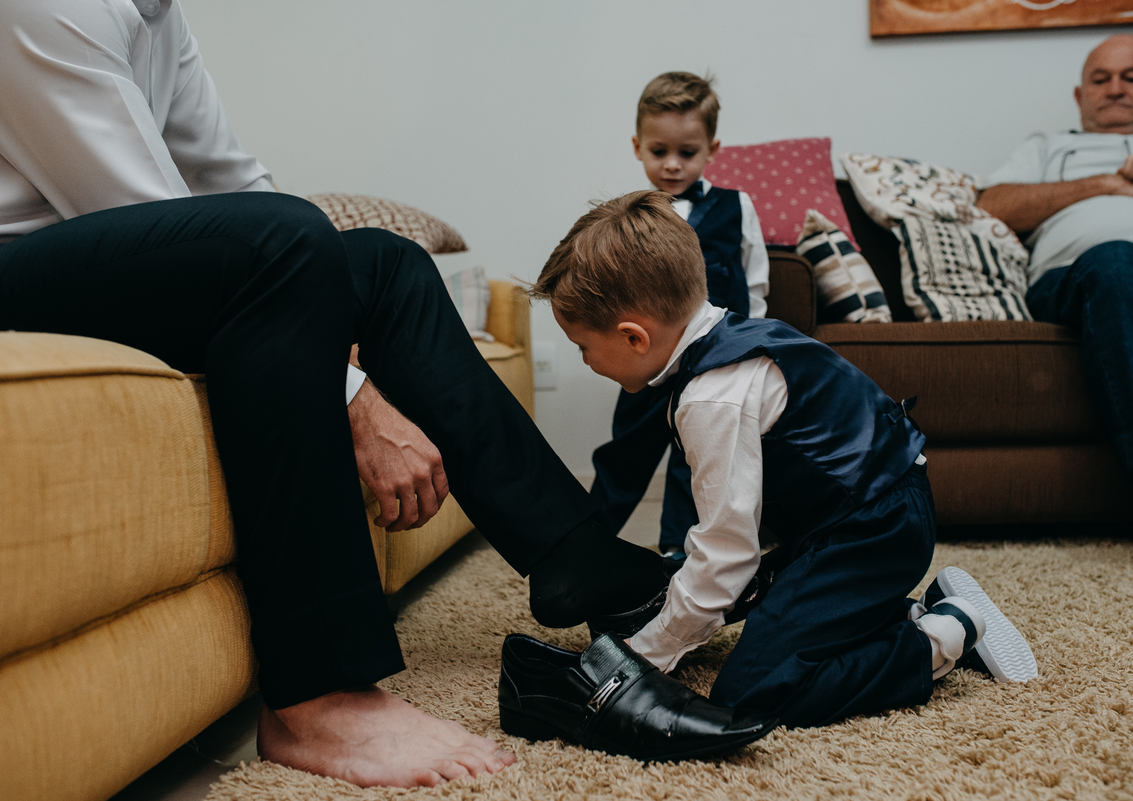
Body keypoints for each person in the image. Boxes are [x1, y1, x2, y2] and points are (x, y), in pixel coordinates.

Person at [0, 0, 677, 788]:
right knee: (281, 244)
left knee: (384, 264)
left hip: (119, 269)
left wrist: (321, 284)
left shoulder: (157, 14)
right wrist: (352, 390)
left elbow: (234, 181)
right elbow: (152, 217)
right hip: (24, 276)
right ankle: (314, 697)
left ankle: (578, 558)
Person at [532, 190, 1037, 728]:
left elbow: (727, 555)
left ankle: (939, 636)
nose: (584, 360)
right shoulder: (727, 336)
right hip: (853, 517)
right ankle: (899, 610)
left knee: (754, 691)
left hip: (876, 531)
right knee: (724, 588)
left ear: (633, 337)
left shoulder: (713, 399)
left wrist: (646, 658)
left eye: (583, 346)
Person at [977, 34, 1133, 585]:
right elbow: (992, 205)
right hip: (1092, 277)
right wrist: (1106, 184)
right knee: (1121, 263)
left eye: (1132, 76)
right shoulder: (1050, 147)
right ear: (1081, 94)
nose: (1115, 88)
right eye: (1101, 79)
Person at [591, 71, 769, 557]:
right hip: (648, 364)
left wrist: (748, 345)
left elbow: (754, 281)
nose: (672, 165)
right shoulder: (631, 215)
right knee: (625, 452)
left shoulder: (739, 207)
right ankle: (584, 541)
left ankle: (677, 554)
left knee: (695, 459)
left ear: (712, 149)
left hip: (713, 362)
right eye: (658, 151)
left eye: (686, 153)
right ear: (637, 146)